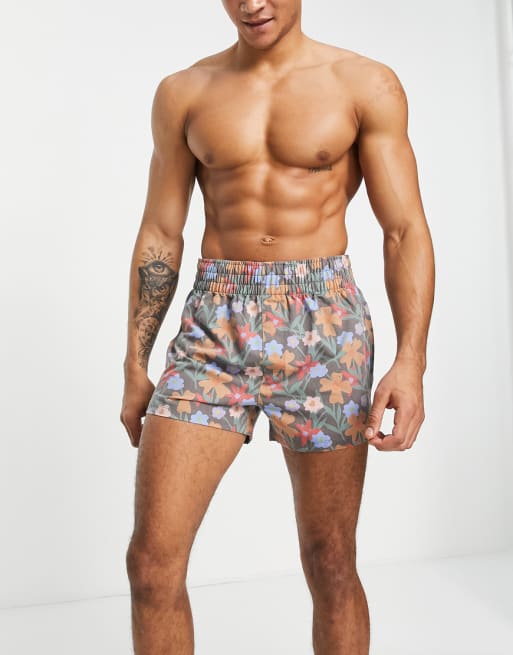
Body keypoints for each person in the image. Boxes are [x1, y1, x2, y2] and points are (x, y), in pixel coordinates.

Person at [120, 0, 435, 652]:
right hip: (214, 325)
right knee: (150, 564)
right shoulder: (184, 92)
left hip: (324, 327)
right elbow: (161, 232)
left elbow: (403, 230)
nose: (251, 4)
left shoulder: (363, 83)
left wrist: (411, 362)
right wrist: (134, 361)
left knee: (330, 559)